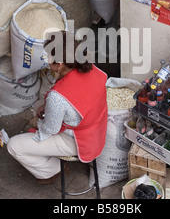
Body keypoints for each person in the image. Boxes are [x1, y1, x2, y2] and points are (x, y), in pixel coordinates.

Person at [7, 30, 108, 184]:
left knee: (14, 146)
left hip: (78, 140)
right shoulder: (91, 68)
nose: (46, 61)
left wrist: (36, 123)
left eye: (48, 58)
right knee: (40, 104)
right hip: (97, 128)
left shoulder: (57, 98)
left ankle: (52, 170)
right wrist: (47, 106)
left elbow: (51, 129)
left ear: (59, 64)